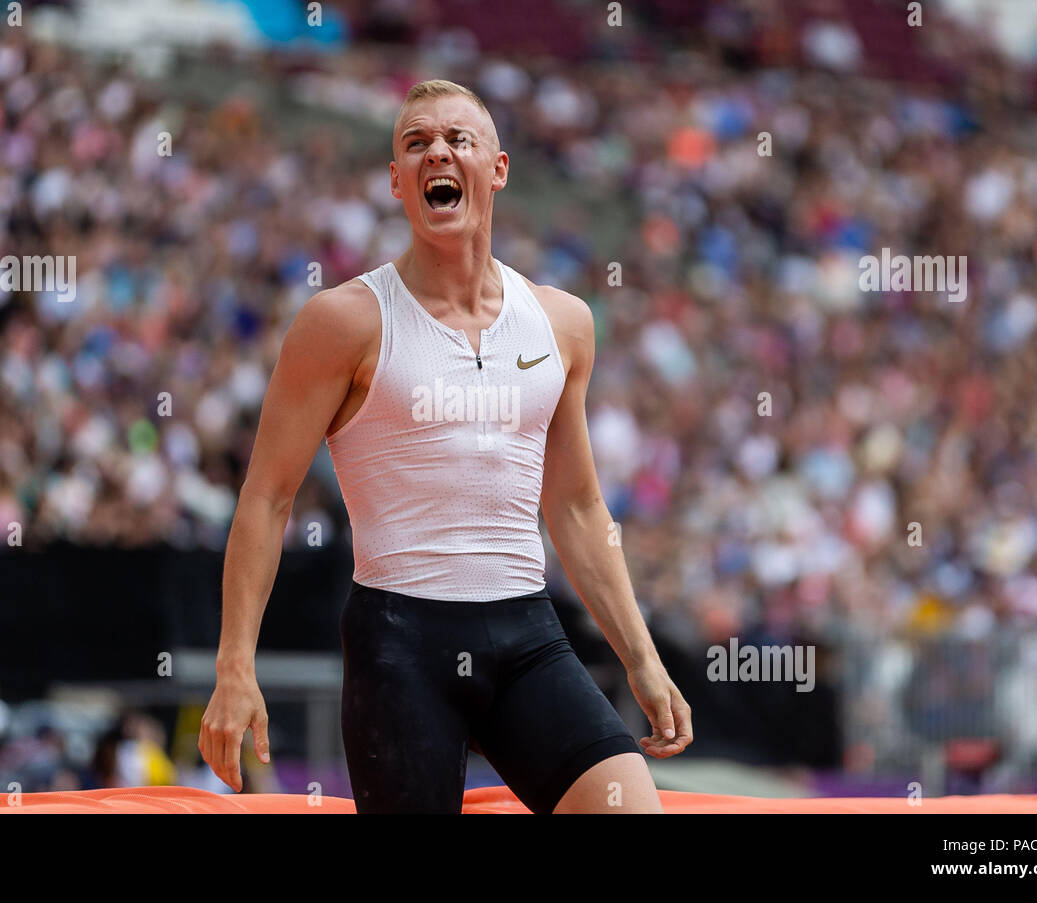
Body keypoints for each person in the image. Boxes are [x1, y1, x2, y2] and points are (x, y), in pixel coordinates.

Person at [199, 79, 692, 813]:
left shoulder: (562, 323)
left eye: (458, 139)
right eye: (416, 142)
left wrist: (642, 659)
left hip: (527, 634)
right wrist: (235, 662)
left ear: (497, 167)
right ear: (398, 181)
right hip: (401, 644)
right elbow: (267, 499)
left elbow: (579, 505)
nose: (438, 151)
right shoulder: (344, 323)